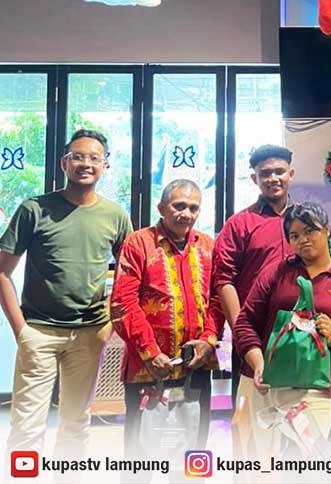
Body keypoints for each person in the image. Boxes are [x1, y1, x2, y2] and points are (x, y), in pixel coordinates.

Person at [0, 129, 132, 460]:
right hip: (39, 332)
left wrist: (110, 324)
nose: (86, 164)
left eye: (94, 158)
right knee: (27, 426)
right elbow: (2, 271)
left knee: (76, 423)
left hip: (90, 333)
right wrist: (21, 330)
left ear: (105, 165)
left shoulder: (115, 215)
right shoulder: (34, 209)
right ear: (64, 163)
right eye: (78, 156)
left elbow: (129, 275)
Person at [234, 202, 331, 460]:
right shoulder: (276, 272)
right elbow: (245, 322)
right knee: (263, 464)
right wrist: (259, 364)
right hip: (266, 385)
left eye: (310, 231)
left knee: (308, 463)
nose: (302, 240)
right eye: (294, 235)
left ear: (327, 230)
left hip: (315, 390)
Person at [110, 179, 220, 478]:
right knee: (141, 455)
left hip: (196, 365)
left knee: (193, 449)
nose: (186, 214)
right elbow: (122, 304)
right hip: (147, 368)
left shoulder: (207, 246)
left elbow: (216, 300)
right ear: (161, 208)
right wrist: (149, 351)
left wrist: (208, 340)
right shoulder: (138, 243)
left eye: (193, 208)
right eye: (179, 206)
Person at [212, 145, 295, 411]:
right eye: (265, 173)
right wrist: (241, 331)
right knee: (249, 414)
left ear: (291, 174)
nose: (273, 178)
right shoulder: (239, 224)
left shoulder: (306, 221)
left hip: (299, 333)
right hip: (254, 334)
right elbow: (223, 280)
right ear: (254, 178)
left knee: (297, 412)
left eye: (279, 171)